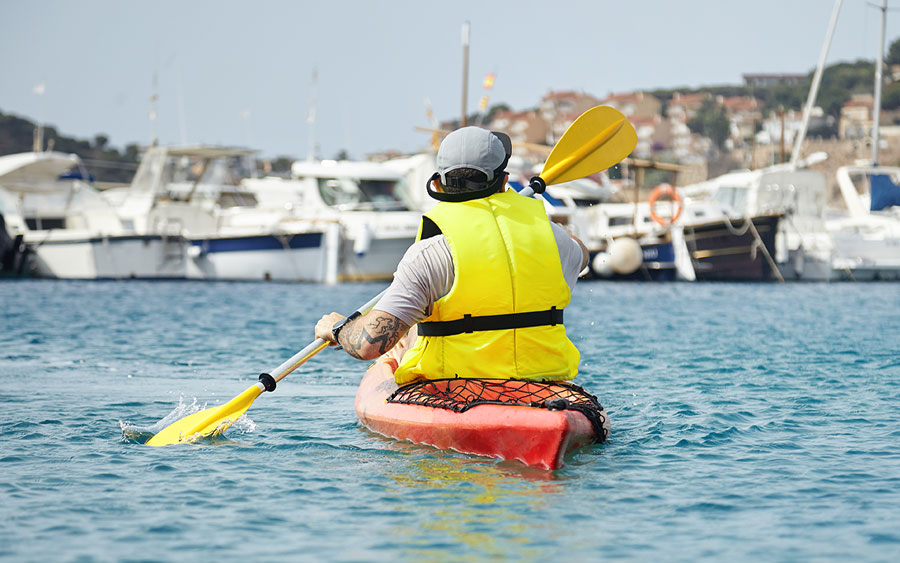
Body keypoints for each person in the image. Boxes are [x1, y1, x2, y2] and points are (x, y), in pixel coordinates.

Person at [315, 126, 588, 384]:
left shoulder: (428, 254)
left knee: (402, 340)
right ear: (505, 181)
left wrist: (338, 329)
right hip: (544, 386)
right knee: (407, 334)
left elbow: (369, 344)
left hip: (455, 389)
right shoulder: (554, 240)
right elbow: (582, 254)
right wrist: (522, 215)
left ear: (440, 185)